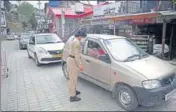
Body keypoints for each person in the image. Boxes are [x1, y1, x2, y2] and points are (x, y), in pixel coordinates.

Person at [67, 30, 87, 102]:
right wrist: (80, 65)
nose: (83, 39)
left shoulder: (74, 40)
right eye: (83, 37)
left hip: (72, 60)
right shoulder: (77, 42)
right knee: (72, 79)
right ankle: (72, 96)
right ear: (80, 36)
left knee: (74, 78)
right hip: (73, 61)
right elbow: (77, 55)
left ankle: (74, 91)